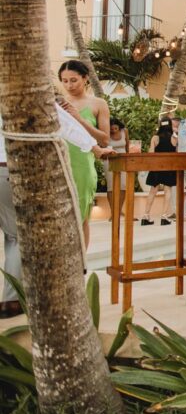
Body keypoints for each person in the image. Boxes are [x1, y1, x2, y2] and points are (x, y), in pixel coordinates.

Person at [0, 104, 109, 318]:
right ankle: (12, 301)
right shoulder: (26, 92)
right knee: (18, 237)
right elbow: (64, 122)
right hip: (12, 169)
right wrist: (95, 148)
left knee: (13, 235)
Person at [57, 60, 110, 248]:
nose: (69, 85)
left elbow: (104, 139)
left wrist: (79, 119)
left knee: (82, 217)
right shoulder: (56, 104)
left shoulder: (98, 104)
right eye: (65, 81)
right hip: (58, 164)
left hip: (83, 166)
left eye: (74, 80)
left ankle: (81, 262)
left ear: (85, 78)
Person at [141, 120, 178, 226]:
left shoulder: (155, 138)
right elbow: (176, 153)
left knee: (152, 191)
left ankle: (146, 216)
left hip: (156, 166)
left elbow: (151, 152)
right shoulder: (174, 138)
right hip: (169, 167)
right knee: (168, 190)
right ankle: (164, 217)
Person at [105, 117, 129, 198]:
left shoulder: (124, 131)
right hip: (109, 160)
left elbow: (127, 146)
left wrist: (128, 158)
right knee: (110, 186)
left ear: (119, 127)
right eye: (111, 129)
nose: (114, 131)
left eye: (116, 128)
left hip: (122, 159)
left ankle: (119, 206)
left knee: (123, 185)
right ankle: (112, 206)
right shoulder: (106, 132)